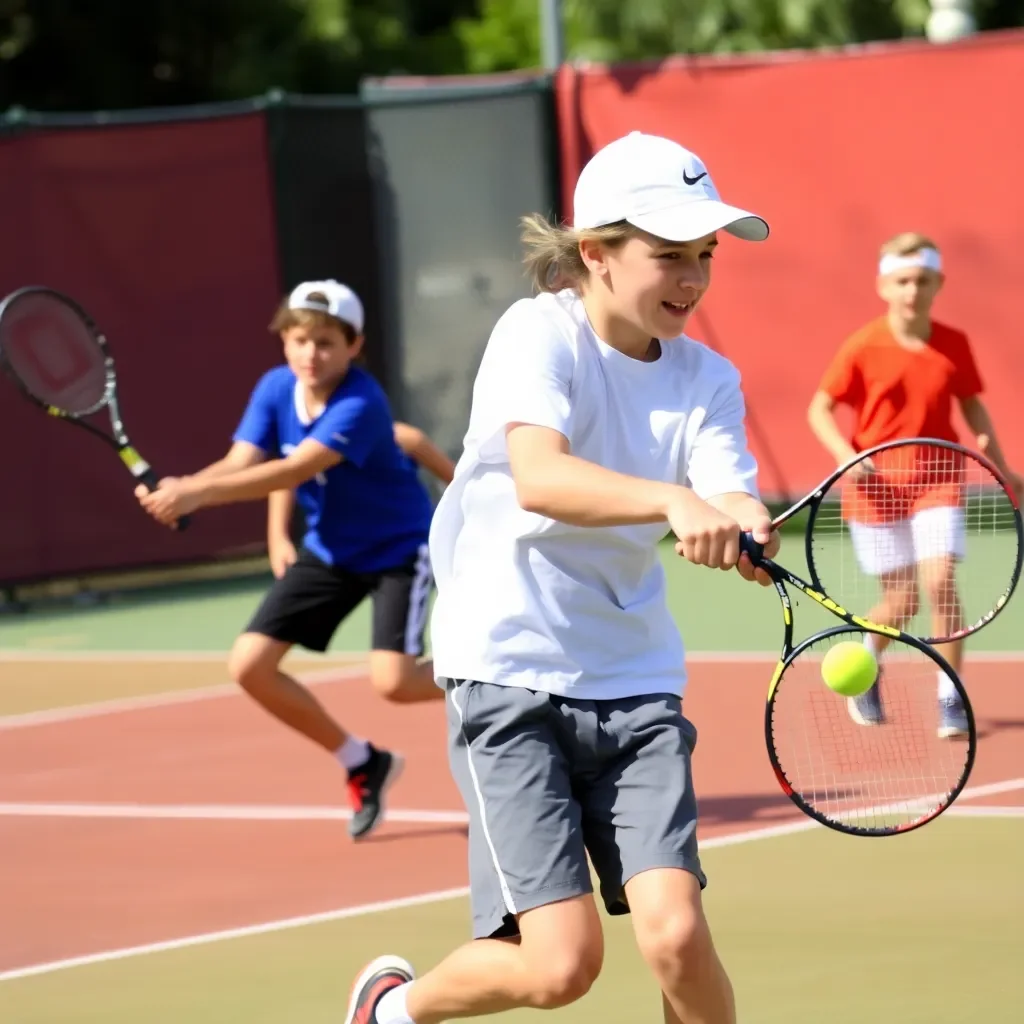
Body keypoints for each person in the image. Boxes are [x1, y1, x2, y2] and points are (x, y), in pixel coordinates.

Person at [343, 130, 778, 1024]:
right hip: (506, 667)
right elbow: (541, 477)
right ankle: (391, 1011)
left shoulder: (709, 378)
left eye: (706, 255)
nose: (692, 279)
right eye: (668, 256)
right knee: (558, 968)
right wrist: (669, 502)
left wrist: (741, 524)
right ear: (596, 254)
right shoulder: (535, 336)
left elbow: (727, 488)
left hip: (633, 679)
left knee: (676, 938)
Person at [137, 279, 454, 841]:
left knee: (396, 683)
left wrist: (196, 495)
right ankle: (361, 761)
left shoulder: (360, 401)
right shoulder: (274, 387)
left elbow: (293, 469)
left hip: (398, 548)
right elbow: (243, 460)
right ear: (284, 340)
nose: (311, 353)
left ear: (354, 346)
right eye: (300, 339)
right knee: (249, 666)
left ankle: (500, 681)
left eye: (327, 342)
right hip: (330, 550)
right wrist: (187, 486)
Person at [806, 232, 1022, 739]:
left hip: (938, 481)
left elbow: (972, 405)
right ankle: (866, 665)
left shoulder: (953, 343)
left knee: (940, 582)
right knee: (901, 601)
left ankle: (950, 696)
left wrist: (1004, 466)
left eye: (922, 281)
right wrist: (843, 455)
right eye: (903, 281)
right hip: (875, 490)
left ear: (938, 284)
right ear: (884, 285)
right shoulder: (862, 345)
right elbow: (818, 407)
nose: (912, 291)